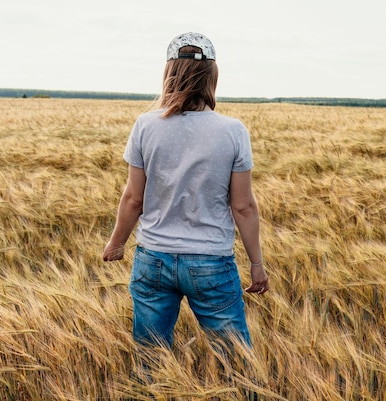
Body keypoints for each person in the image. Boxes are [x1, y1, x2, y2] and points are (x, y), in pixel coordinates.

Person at [103, 32, 269, 350]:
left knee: (151, 361)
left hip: (152, 260)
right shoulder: (233, 131)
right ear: (212, 78)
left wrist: (117, 243)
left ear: (169, 75)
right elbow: (244, 206)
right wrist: (256, 263)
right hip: (211, 263)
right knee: (237, 362)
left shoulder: (145, 126)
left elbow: (133, 198)